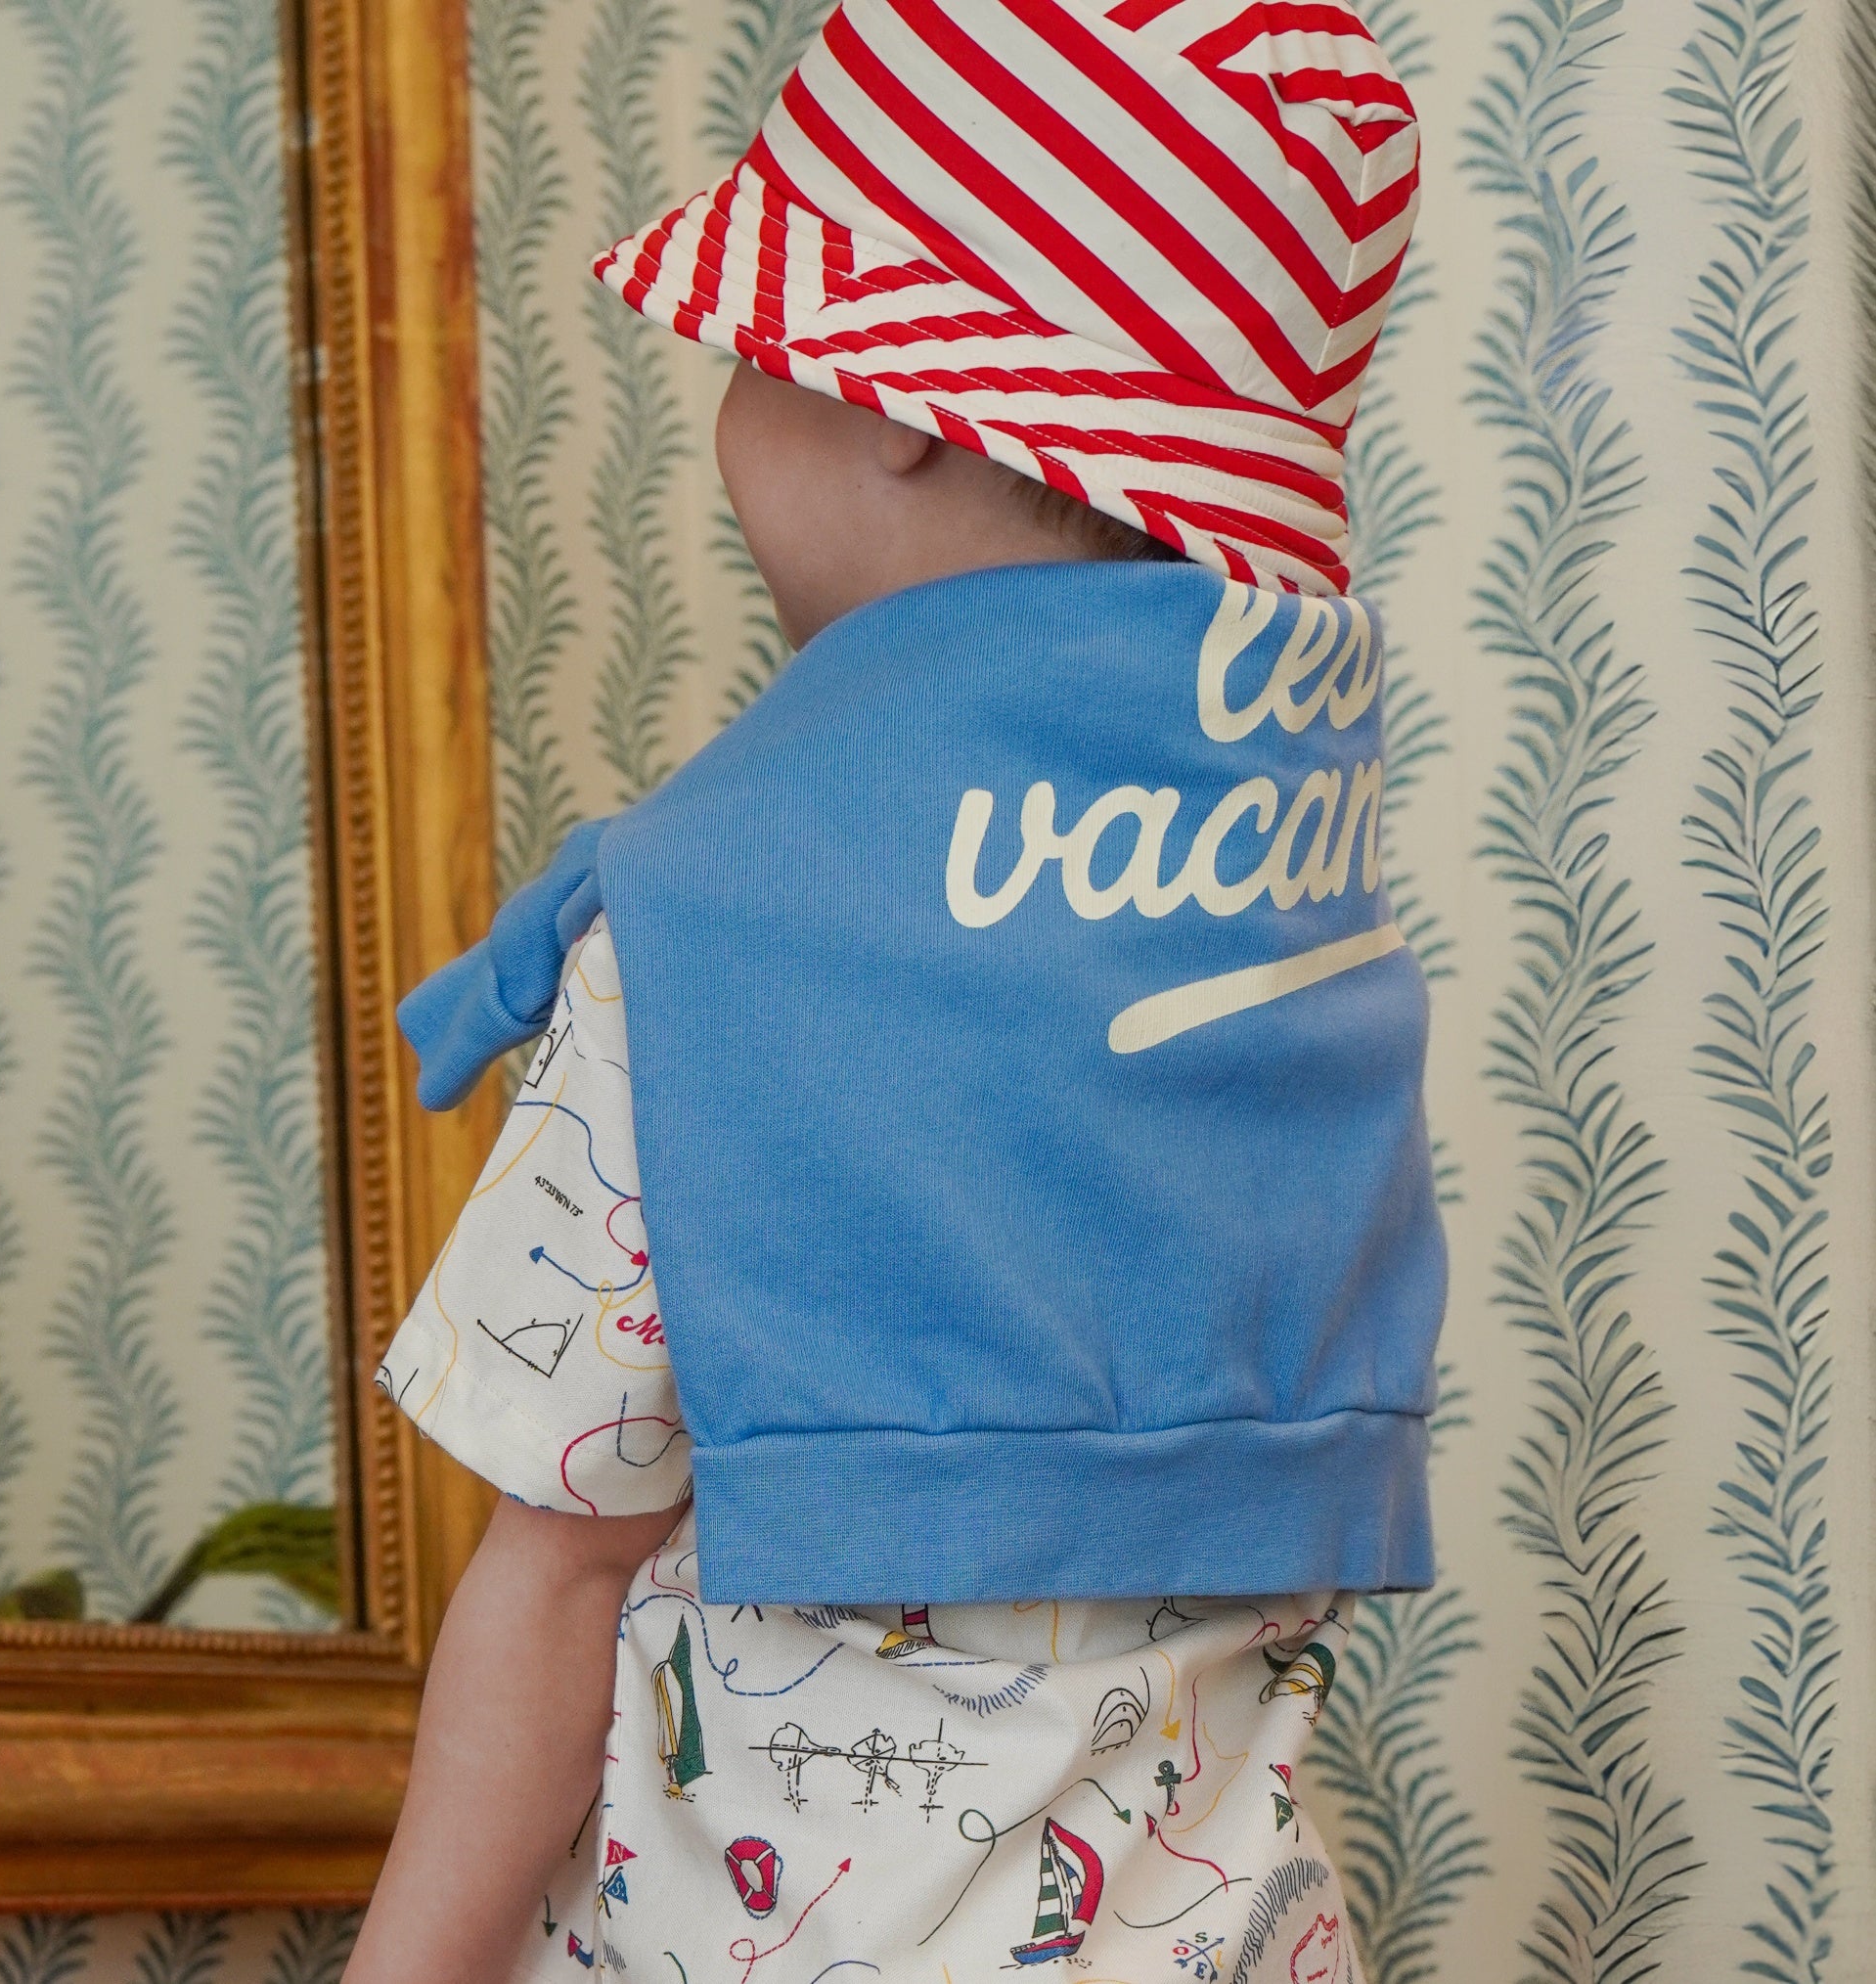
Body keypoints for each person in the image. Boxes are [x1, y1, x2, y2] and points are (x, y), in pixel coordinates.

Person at [348, 5, 1436, 1980]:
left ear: (907, 403)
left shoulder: (707, 937)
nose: (726, 407)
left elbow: (559, 1567)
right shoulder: (1300, 982)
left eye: (749, 351)